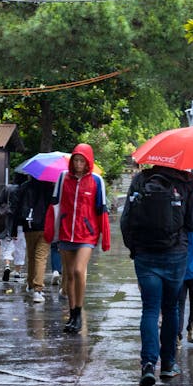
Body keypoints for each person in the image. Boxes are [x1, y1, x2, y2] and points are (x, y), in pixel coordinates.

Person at [121, 165, 193, 386]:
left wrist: (134, 249)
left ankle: (148, 364)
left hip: (145, 254)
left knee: (149, 309)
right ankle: (168, 364)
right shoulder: (188, 182)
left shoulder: (141, 179)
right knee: (171, 308)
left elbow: (126, 219)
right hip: (176, 254)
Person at [44, 143, 110, 334]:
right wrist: (51, 232)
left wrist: (104, 238)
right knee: (69, 274)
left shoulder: (97, 181)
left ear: (88, 161)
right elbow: (54, 206)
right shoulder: (63, 178)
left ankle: (79, 312)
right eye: (76, 160)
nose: (79, 164)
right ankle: (72, 314)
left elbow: (101, 210)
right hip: (66, 232)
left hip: (87, 234)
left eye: (82, 160)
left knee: (80, 271)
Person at [15, 174, 55, 303]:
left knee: (31, 256)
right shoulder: (50, 188)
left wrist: (15, 227)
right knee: (41, 257)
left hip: (29, 226)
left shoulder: (24, 187)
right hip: (45, 226)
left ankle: (31, 285)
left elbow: (17, 207)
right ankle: (38, 289)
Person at [0, 180, 25, 282]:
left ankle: (7, 265)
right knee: (20, 247)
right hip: (21, 222)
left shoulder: (8, 188)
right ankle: (17, 272)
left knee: (7, 244)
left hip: (8, 220)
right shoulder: (25, 188)